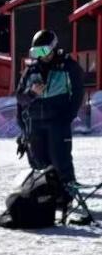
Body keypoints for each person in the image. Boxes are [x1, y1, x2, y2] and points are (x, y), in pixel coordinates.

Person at [16, 29, 84, 193]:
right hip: (35, 124)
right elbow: (19, 98)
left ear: (54, 47)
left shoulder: (68, 66)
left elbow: (78, 94)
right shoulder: (31, 70)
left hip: (57, 122)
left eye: (44, 51)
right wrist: (31, 94)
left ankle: (68, 194)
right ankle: (48, 196)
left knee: (60, 161)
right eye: (37, 52)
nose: (41, 56)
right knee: (39, 163)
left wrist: (67, 116)